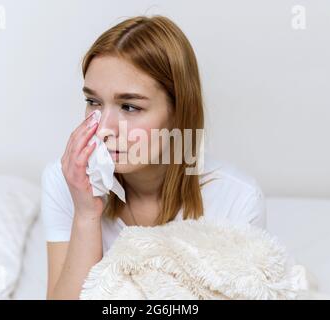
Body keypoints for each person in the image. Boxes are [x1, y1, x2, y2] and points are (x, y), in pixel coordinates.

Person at [42, 15, 266, 300]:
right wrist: (86, 216)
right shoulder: (66, 182)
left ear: (179, 111)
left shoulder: (236, 198)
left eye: (130, 107)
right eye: (93, 102)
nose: (105, 129)